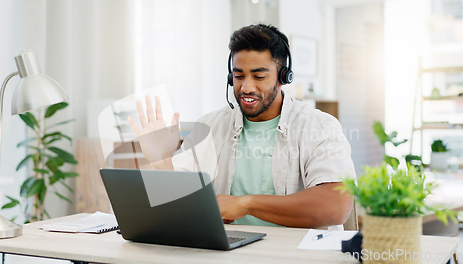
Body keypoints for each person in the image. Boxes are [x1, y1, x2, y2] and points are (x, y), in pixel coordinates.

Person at [128, 24, 356, 229]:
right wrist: (160, 160)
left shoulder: (320, 126)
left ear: (283, 77)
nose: (246, 87)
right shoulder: (210, 125)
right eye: (238, 76)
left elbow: (336, 206)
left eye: (259, 76)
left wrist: (246, 204)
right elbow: (178, 203)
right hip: (229, 254)